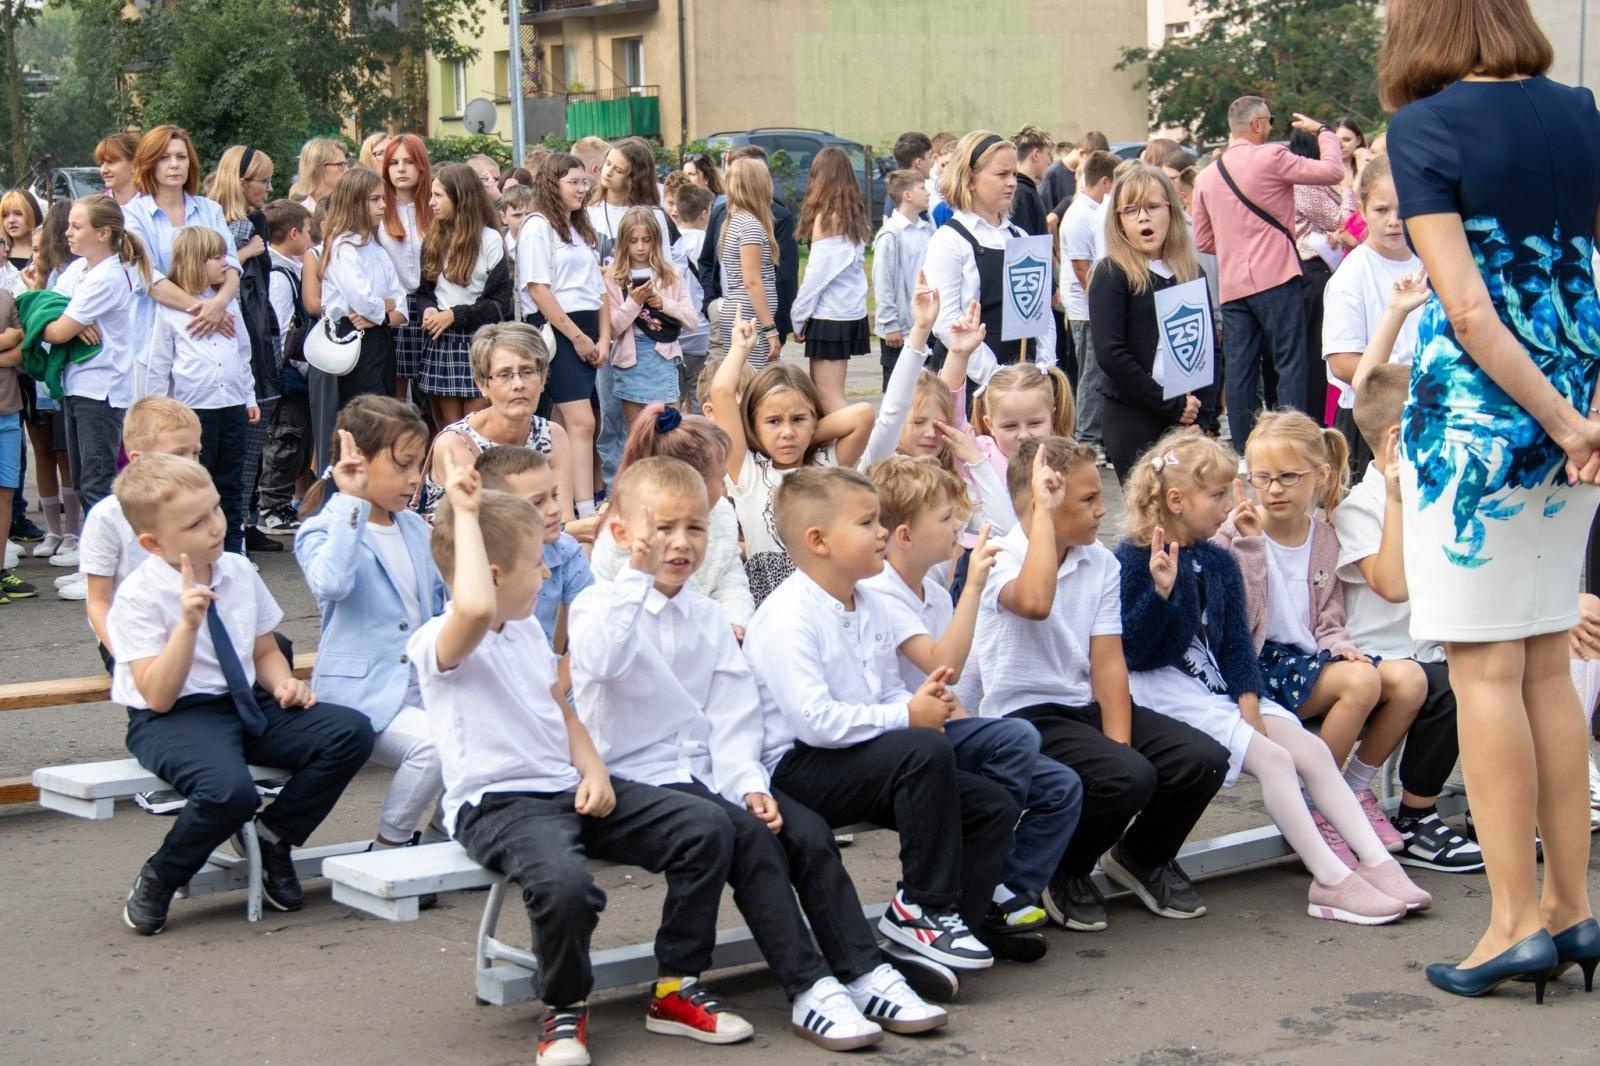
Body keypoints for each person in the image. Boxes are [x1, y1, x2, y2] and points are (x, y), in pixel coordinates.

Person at [572, 456, 941, 1049]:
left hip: (702, 777)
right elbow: (600, 663)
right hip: (622, 781)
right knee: (748, 837)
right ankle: (808, 986)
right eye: (661, 529)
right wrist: (637, 577)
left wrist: (750, 784)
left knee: (806, 831)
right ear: (621, 533)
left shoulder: (710, 619)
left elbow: (732, 719)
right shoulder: (602, 604)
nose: (680, 543)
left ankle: (864, 971)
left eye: (694, 528)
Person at [1381, 0, 1600, 997]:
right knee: (1547, 660)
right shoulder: (1578, 110)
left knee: (1484, 672)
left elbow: (1465, 306)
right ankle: (1571, 909)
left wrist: (1559, 419)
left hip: (1481, 426)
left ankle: (1513, 921)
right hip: (1576, 410)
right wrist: (1583, 413)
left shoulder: (1424, 125)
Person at [409, 458, 753, 1065]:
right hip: (501, 805)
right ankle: (564, 1009)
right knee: (566, 886)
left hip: (567, 787)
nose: (546, 573)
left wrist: (592, 769)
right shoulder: (444, 640)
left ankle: (676, 985)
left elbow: (562, 712)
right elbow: (471, 609)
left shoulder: (524, 633)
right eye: (534, 565)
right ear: (491, 577)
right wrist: (465, 513)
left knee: (706, 828)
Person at [1115, 431, 1429, 924]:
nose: (1228, 504)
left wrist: (1248, 697)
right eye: (1218, 494)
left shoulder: (1218, 558)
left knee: (1312, 751)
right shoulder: (1134, 557)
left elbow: (1237, 640)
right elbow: (1137, 650)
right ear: (1176, 500)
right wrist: (1162, 594)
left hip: (1216, 684)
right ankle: (1329, 880)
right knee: (1277, 761)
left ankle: (1377, 862)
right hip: (1165, 690)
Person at [744, 466, 1016, 974]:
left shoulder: (867, 599)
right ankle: (922, 909)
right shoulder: (788, 616)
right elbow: (815, 723)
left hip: (856, 756)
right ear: (818, 540)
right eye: (867, 523)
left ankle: (951, 929)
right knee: (923, 749)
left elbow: (884, 687)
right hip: (797, 767)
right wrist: (908, 715)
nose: (883, 532)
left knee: (991, 806)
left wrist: (921, 702)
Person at [110, 453, 375, 934]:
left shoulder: (236, 569)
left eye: (215, 509)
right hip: (174, 717)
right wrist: (187, 625)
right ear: (153, 543)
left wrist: (283, 683)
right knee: (228, 793)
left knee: (351, 732)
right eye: (195, 523)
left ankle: (277, 835)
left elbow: (263, 650)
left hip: (244, 702)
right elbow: (158, 696)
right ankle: (161, 874)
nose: (215, 526)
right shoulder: (139, 595)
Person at [972, 437, 1228, 930]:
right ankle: (1061, 868)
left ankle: (1140, 856)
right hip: (1024, 717)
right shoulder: (1002, 555)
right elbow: (1035, 601)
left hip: (1081, 707)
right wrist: (1043, 521)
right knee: (1125, 775)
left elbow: (1108, 661)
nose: (1100, 509)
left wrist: (1121, 746)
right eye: (1087, 500)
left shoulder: (1100, 563)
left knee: (1202, 759)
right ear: (1039, 502)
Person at [866, 453, 1081, 955]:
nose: (958, 526)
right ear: (904, 537)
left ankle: (997, 896)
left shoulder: (935, 594)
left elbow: (952, 695)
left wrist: (968, 724)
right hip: (897, 739)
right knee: (1016, 739)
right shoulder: (883, 592)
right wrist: (975, 585)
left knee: (1060, 787)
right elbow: (944, 665)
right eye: (944, 520)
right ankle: (964, 906)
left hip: (936, 728)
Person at [1222, 411, 1426, 860]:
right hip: (1255, 666)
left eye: (1289, 477)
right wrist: (1248, 544)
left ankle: (1352, 790)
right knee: (1362, 682)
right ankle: (1318, 802)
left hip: (1308, 660)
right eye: (1263, 477)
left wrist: (1342, 649)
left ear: (1321, 475)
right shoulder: (1234, 533)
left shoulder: (1326, 538)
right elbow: (1231, 619)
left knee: (1411, 680)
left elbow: (1328, 622)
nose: (1274, 489)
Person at [1332, 364, 1483, 873]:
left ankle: (1493, 807)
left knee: (1500, 663)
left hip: (1427, 648)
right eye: (1439, 422)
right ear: (1399, 437)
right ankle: (1417, 815)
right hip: (1383, 660)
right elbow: (1393, 587)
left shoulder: (1434, 488)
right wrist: (1400, 501)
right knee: (1453, 683)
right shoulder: (1361, 508)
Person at [294, 398, 447, 854]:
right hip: (360, 700)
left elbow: (439, 607)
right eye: (402, 464)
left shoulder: (416, 529)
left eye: (418, 465)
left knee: (493, 735)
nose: (413, 478)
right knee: (436, 746)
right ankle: (389, 846)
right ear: (356, 459)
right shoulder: (324, 528)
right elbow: (332, 584)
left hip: (423, 689)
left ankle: (446, 836)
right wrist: (352, 502)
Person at [1191, 97, 1343, 448]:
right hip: (1276, 274)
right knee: (1290, 360)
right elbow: (1333, 172)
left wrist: (1235, 247)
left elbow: (1202, 238)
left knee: (1242, 368)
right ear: (1257, 124)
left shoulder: (1207, 176)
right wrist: (1324, 133)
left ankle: (1245, 449)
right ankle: (1291, 442)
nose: (1272, 127)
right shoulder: (1272, 157)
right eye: (1270, 121)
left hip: (1233, 285)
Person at [710, 313, 873, 602]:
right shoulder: (747, 472)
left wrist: (808, 434)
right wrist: (739, 349)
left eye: (798, 419)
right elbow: (722, 392)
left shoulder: (825, 467)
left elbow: (863, 415)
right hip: (766, 604)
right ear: (752, 423)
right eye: (773, 421)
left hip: (823, 598)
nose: (787, 433)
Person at [1088, 165, 1215, 482]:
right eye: (1131, 211)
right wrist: (1170, 404)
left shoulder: (1191, 271)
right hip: (1134, 414)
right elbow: (1110, 353)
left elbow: (1210, 348)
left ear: (1171, 210)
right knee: (1149, 517)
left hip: (1188, 417)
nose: (1143, 218)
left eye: (1152, 207)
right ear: (1118, 220)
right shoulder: (1112, 273)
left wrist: (1204, 417)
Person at [143, 226, 258, 557]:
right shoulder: (170, 311)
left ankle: (235, 551)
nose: (226, 263)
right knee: (195, 481)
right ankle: (195, 550)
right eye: (216, 257)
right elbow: (160, 365)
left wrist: (249, 397)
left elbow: (242, 354)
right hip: (194, 411)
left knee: (232, 482)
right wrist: (158, 414)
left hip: (232, 405)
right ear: (195, 261)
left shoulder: (229, 305)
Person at [587, 405, 754, 632]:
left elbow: (729, 578)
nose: (725, 487)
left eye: (695, 528)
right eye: (722, 477)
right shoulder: (634, 531)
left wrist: (734, 621)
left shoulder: (721, 513)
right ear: (696, 482)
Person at [1321, 156, 1428, 474]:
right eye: (1382, 210)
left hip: (1425, 409)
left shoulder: (1427, 258)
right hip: (1373, 420)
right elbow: (1341, 363)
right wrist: (1404, 379)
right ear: (1363, 209)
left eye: (1403, 209)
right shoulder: (1351, 274)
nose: (1394, 221)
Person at [42, 196, 150, 512]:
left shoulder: (108, 276)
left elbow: (56, 330)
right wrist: (70, 322)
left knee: (97, 485)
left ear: (103, 233)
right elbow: (41, 306)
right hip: (78, 385)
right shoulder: (78, 269)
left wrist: (66, 325)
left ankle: (111, 558)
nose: (68, 233)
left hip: (100, 392)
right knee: (82, 481)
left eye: (77, 226)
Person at [517, 151, 609, 517]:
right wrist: (577, 338)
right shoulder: (537, 226)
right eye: (573, 182)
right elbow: (539, 289)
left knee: (566, 426)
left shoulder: (578, 228)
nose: (581, 189)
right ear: (552, 185)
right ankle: (583, 511)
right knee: (581, 422)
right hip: (560, 331)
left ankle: (559, 502)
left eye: (584, 182)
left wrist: (602, 338)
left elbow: (597, 288)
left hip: (589, 329)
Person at [78, 397, 202, 660]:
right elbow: (98, 602)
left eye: (196, 453)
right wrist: (126, 655)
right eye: (179, 454)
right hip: (128, 633)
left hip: (191, 622)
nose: (191, 463)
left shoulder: (202, 505)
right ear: (138, 460)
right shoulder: (107, 516)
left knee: (274, 649)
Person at [923, 131, 1054, 377]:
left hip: (1025, 380)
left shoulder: (1021, 238)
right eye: (1001, 174)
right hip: (970, 378)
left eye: (1014, 174)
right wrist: (994, 376)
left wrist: (1043, 368)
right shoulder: (949, 241)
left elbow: (1041, 314)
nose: (1012, 182)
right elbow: (945, 322)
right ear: (970, 179)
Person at [208, 144, 285, 560]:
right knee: (240, 442)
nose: (268, 188)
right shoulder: (221, 220)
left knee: (251, 440)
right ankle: (231, 529)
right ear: (241, 182)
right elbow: (211, 271)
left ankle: (242, 523)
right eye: (264, 180)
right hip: (236, 335)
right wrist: (244, 253)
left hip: (256, 331)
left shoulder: (248, 220)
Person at [419, 322, 572, 522]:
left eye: (527, 371)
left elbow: (563, 518)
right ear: (482, 384)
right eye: (504, 375)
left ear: (543, 378)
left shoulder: (552, 435)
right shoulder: (456, 444)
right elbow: (494, 529)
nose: (518, 385)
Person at [311, 167, 408, 465]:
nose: (382, 206)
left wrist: (386, 313)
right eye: (374, 199)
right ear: (354, 202)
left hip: (379, 338)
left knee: (382, 418)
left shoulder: (375, 248)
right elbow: (363, 302)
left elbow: (401, 303)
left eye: (383, 199)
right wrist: (383, 308)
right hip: (349, 340)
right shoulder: (343, 247)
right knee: (356, 422)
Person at [417, 164, 513, 428]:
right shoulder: (433, 239)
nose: (431, 202)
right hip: (442, 340)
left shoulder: (490, 239)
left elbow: (500, 303)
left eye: (439, 196)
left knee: (476, 424)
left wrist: (455, 315)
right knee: (448, 426)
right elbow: (424, 292)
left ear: (460, 197)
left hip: (477, 340)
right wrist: (428, 310)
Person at [474, 445, 592, 651]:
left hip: (548, 672)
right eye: (537, 502)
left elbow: (591, 633)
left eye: (554, 495)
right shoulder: (472, 560)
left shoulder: (565, 550)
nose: (555, 509)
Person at [603, 205, 699, 430]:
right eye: (633, 240)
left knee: (668, 431)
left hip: (662, 355)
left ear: (655, 240)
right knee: (637, 434)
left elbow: (691, 321)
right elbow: (612, 330)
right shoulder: (614, 278)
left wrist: (662, 303)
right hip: (629, 359)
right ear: (623, 241)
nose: (640, 247)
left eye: (646, 240)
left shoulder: (670, 273)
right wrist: (633, 303)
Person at [1288, 129, 1360, 419]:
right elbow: (1342, 220)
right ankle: (1315, 421)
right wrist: (1346, 188)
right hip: (1313, 271)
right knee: (1317, 356)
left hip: (1323, 269)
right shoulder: (1304, 185)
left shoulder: (1312, 185)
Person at [793, 147, 872, 413]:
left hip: (830, 316)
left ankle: (856, 450)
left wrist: (798, 317)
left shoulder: (827, 219)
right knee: (828, 393)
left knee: (827, 395)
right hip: (848, 312)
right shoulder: (852, 217)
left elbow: (816, 276)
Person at [696, 145, 798, 345]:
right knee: (752, 374)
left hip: (754, 314)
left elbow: (785, 275)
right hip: (748, 317)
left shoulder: (777, 217)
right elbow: (750, 280)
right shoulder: (745, 223)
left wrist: (778, 323)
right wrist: (711, 303)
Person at [256, 199, 316, 536]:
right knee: (285, 438)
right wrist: (282, 368)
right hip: (286, 374)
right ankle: (271, 505)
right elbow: (277, 326)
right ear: (293, 233)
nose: (310, 236)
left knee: (295, 438)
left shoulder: (289, 268)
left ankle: (277, 502)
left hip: (294, 372)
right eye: (307, 230)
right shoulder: (279, 275)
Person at [1059, 149, 1118, 451]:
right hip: (1085, 309)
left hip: (1090, 307)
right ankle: (1087, 435)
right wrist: (1103, 306)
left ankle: (1095, 431)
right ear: (1105, 182)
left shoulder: (1091, 211)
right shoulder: (1081, 215)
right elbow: (1083, 268)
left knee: (1096, 370)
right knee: (1091, 372)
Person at [377, 134, 432, 407]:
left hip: (430, 305)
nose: (401, 169)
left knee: (433, 392)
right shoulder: (379, 208)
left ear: (421, 165)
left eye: (409, 161)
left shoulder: (435, 206)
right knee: (395, 394)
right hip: (394, 307)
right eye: (394, 162)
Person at [714, 158, 782, 368]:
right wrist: (771, 329)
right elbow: (752, 281)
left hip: (742, 313)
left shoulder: (735, 220)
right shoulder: (750, 226)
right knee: (753, 384)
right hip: (750, 318)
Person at [872, 171, 934, 391]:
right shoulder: (891, 234)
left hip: (926, 323)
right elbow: (883, 281)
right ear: (907, 195)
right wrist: (890, 323)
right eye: (922, 188)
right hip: (901, 327)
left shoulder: (927, 229)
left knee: (925, 388)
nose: (928, 193)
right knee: (898, 387)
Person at [672, 183, 714, 409]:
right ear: (704, 213)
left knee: (674, 397)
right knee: (699, 395)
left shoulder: (671, 244)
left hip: (675, 332)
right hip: (701, 331)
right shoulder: (708, 243)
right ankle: (700, 439)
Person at [0, 282, 24, 604]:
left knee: (5, 491)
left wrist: (14, 338)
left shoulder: (6, 296)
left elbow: (23, 347)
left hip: (8, 411)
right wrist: (7, 339)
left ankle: (1, 568)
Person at [1008, 125, 1053, 238]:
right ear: (1036, 154)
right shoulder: (1021, 193)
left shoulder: (1027, 190)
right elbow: (1023, 245)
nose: (1050, 161)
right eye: (1048, 154)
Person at [289, 138, 349, 209]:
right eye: (340, 164)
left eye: (346, 164)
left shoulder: (349, 209)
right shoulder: (300, 215)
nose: (347, 170)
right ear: (319, 169)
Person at [95, 132, 141, 206]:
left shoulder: (155, 203)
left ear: (134, 164)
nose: (103, 170)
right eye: (101, 163)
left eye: (111, 162)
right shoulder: (96, 207)